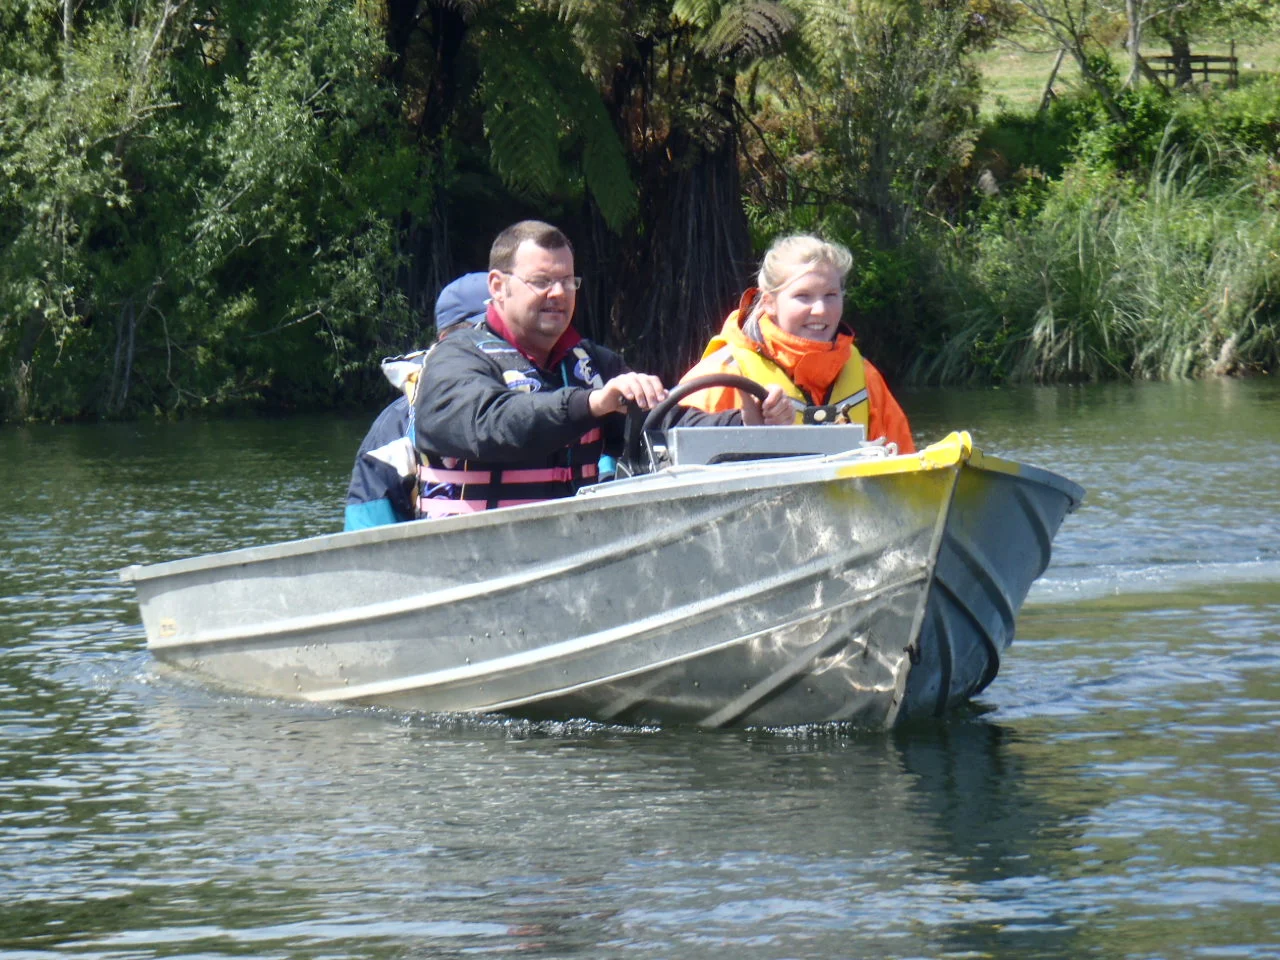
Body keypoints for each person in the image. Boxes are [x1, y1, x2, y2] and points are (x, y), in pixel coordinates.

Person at [413, 220, 791, 518]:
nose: (558, 293)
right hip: (472, 559)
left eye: (567, 281)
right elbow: (490, 425)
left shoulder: (594, 364)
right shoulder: (454, 359)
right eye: (542, 282)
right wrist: (592, 403)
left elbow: (663, 425)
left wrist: (745, 425)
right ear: (498, 286)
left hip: (573, 555)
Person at [678, 234, 915, 453]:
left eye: (831, 295)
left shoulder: (865, 377)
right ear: (769, 303)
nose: (820, 310)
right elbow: (677, 458)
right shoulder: (722, 374)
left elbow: (905, 467)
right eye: (803, 296)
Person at [342, 272, 489, 531]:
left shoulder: (549, 406)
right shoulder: (396, 427)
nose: (502, 346)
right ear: (446, 342)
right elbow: (365, 535)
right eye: (487, 331)